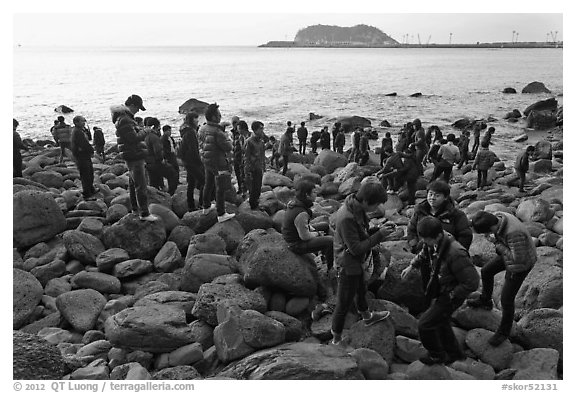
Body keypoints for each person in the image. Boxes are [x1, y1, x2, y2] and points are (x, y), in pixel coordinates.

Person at [401, 216, 479, 365]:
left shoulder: (456, 253)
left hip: (451, 293)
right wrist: (412, 265)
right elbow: (424, 252)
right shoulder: (434, 241)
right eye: (422, 238)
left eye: (427, 239)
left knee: (424, 324)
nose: (424, 242)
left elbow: (472, 282)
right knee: (441, 321)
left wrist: (451, 295)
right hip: (441, 286)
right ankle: (455, 354)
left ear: (438, 235)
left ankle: (436, 355)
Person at [330, 181, 392, 345]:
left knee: (361, 289)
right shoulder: (346, 218)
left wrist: (378, 230)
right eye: (376, 204)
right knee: (344, 301)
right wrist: (379, 235)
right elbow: (356, 248)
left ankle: (367, 317)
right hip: (347, 264)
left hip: (356, 262)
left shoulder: (357, 208)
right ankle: (336, 338)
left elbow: (361, 234)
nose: (377, 208)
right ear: (365, 201)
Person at [467, 211, 537, 346]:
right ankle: (485, 300)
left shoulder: (513, 233)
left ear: (491, 228)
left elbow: (518, 258)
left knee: (506, 300)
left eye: (485, 233)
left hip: (520, 265)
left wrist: (496, 243)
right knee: (486, 271)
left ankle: (503, 332)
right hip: (511, 253)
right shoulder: (499, 217)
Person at [406, 180, 473, 296]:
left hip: (445, 256)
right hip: (424, 252)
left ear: (446, 197)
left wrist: (454, 253)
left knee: (445, 282)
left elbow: (465, 235)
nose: (432, 198)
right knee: (426, 279)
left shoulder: (456, 215)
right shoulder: (420, 211)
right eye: (430, 194)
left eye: (437, 195)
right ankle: (427, 297)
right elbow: (411, 229)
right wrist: (414, 246)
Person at [111, 94, 157, 221]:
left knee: (133, 184)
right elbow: (133, 138)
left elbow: (131, 135)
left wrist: (140, 129)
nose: (138, 111)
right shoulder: (125, 119)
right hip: (134, 154)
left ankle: (135, 209)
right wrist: (146, 131)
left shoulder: (123, 118)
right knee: (140, 185)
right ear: (132, 105)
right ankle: (144, 213)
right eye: (138, 108)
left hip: (130, 154)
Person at [282, 180, 334, 267]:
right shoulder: (301, 213)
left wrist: (324, 212)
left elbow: (309, 214)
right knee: (330, 240)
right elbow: (305, 236)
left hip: (296, 235)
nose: (316, 194)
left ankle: (324, 255)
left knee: (324, 226)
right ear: (307, 195)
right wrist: (317, 234)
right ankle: (329, 267)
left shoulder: (297, 203)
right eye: (314, 192)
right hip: (295, 244)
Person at [199, 103, 235, 222]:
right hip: (218, 162)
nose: (220, 116)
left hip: (207, 160)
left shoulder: (203, 128)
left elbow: (203, 142)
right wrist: (227, 136)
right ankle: (221, 213)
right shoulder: (217, 132)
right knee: (221, 188)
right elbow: (228, 147)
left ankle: (206, 206)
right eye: (219, 115)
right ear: (214, 117)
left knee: (208, 183)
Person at [180, 112, 205, 211]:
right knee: (204, 182)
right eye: (195, 119)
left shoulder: (185, 131)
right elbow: (193, 150)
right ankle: (203, 204)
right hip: (192, 162)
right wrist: (199, 163)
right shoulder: (191, 132)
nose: (197, 120)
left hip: (187, 161)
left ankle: (191, 205)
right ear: (191, 120)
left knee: (191, 183)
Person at [70, 115, 97, 200]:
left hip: (83, 155)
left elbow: (87, 139)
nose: (84, 122)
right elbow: (84, 144)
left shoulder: (80, 130)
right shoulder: (77, 132)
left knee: (89, 172)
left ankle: (91, 189)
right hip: (81, 155)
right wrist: (91, 150)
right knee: (86, 174)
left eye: (84, 121)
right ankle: (87, 193)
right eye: (82, 121)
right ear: (76, 122)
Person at [244, 121, 266, 210]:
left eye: (262, 128)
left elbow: (262, 155)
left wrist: (263, 166)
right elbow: (246, 157)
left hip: (258, 167)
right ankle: (252, 205)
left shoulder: (261, 141)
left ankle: (256, 202)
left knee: (258, 187)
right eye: (260, 128)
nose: (262, 130)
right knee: (253, 188)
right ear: (255, 130)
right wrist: (247, 170)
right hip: (252, 168)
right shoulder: (249, 141)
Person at [144, 118, 168, 191]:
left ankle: (154, 194)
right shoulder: (154, 137)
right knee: (170, 175)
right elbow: (158, 150)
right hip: (155, 161)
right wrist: (161, 159)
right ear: (156, 126)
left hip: (147, 161)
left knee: (152, 180)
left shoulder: (145, 136)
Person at [232, 118, 246, 196]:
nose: (234, 124)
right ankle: (241, 188)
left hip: (241, 157)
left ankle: (244, 190)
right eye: (233, 123)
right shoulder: (233, 133)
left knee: (243, 175)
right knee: (238, 174)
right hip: (236, 157)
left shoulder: (243, 135)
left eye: (236, 123)